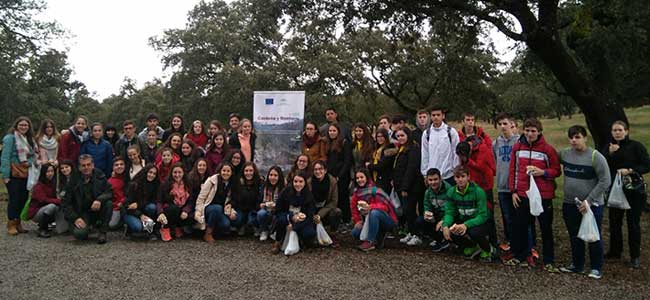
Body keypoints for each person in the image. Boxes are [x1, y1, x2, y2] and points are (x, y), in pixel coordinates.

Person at [505, 118, 561, 272]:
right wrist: (514, 191)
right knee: (521, 227)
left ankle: (549, 260)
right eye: (527, 130)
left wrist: (543, 172)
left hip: (543, 195)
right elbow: (513, 170)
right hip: (522, 194)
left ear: (539, 132)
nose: (530, 134)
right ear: (523, 131)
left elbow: (557, 170)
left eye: (533, 131)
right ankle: (521, 256)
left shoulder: (547, 150)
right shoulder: (517, 147)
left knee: (545, 228)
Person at [559, 125, 611, 279]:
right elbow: (550, 160)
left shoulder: (596, 157)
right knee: (574, 235)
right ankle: (577, 265)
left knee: (593, 235)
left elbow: (605, 181)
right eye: (571, 137)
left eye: (577, 137)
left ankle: (596, 267)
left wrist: (588, 200)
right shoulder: (565, 154)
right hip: (570, 203)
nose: (574, 140)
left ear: (585, 138)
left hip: (592, 205)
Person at [602, 120, 650, 269]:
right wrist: (611, 153)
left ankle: (634, 256)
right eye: (614, 130)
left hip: (634, 190)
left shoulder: (636, 146)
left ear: (626, 131)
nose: (617, 132)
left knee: (633, 224)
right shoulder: (608, 146)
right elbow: (603, 163)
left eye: (620, 130)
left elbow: (647, 164)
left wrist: (630, 170)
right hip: (615, 189)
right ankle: (615, 251)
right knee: (614, 222)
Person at [442, 165, 495, 262]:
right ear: (454, 178)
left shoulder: (478, 192)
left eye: (463, 176)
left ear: (468, 177)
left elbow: (483, 215)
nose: (460, 180)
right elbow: (449, 212)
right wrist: (445, 225)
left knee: (474, 232)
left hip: (482, 221)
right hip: (464, 220)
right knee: (450, 230)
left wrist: (466, 225)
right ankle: (472, 246)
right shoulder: (451, 192)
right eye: (458, 177)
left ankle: (488, 249)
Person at [62, 154, 113, 244]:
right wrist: (75, 218)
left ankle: (102, 232)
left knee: (108, 204)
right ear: (79, 167)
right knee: (80, 235)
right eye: (83, 165)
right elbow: (66, 203)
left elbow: (109, 192)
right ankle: (88, 226)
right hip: (81, 212)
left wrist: (99, 200)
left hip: (96, 209)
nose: (86, 167)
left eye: (88, 165)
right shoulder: (73, 179)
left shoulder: (99, 174)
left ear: (93, 165)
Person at [2, 117, 37, 235]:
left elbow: (34, 155)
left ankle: (18, 222)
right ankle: (11, 223)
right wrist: (5, 175)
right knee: (14, 199)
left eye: (26, 125)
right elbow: (5, 157)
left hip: (26, 173)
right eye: (21, 125)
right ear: (16, 125)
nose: (23, 127)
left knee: (23, 198)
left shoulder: (30, 139)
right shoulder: (9, 138)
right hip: (13, 173)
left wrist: (30, 162)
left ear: (29, 127)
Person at [350, 168, 398, 252]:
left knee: (374, 213)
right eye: (357, 178)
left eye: (362, 177)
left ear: (367, 178)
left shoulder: (375, 190)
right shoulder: (356, 193)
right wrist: (357, 221)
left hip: (387, 219)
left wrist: (370, 207)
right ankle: (378, 236)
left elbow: (385, 207)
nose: (359, 180)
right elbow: (354, 210)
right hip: (367, 221)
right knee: (355, 233)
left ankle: (370, 242)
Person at [393, 127, 425, 246]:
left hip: (411, 186)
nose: (400, 138)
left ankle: (418, 234)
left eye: (402, 135)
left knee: (410, 210)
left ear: (408, 135)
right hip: (400, 185)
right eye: (398, 136)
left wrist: (405, 187)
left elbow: (411, 169)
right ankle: (411, 232)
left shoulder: (413, 149)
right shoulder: (401, 148)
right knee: (406, 211)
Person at [492, 113, 520, 251]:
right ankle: (509, 241)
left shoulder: (519, 142)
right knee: (506, 216)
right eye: (500, 124)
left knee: (519, 217)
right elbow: (495, 161)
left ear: (511, 124)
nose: (503, 126)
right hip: (502, 185)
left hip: (517, 187)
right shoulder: (496, 143)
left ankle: (522, 243)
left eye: (505, 123)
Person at [272, 172, 317, 254]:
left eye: (301, 182)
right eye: (295, 181)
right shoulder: (285, 192)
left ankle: (301, 240)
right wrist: (291, 217)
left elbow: (310, 215)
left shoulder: (309, 195)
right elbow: (278, 210)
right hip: (287, 218)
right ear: (292, 182)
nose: (298, 184)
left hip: (302, 221)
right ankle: (278, 242)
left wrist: (295, 226)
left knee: (310, 233)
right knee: (280, 220)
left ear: (305, 183)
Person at [194, 162, 238, 243]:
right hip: (208, 208)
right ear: (220, 171)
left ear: (231, 173)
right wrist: (198, 211)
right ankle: (208, 233)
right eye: (224, 170)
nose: (226, 173)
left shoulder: (232, 183)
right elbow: (201, 198)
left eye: (228, 171)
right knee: (217, 208)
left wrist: (231, 209)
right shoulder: (212, 180)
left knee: (226, 225)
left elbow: (232, 200)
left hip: (222, 210)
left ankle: (214, 230)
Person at [415, 168, 452, 252]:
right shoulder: (428, 192)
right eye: (430, 180)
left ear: (440, 179)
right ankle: (439, 240)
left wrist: (444, 220)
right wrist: (427, 214)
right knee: (420, 221)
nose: (433, 182)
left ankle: (447, 241)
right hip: (436, 216)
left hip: (449, 217)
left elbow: (452, 209)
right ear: (427, 180)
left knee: (444, 225)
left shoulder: (449, 190)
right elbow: (427, 206)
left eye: (435, 179)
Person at [421, 106, 460, 184]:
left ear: (443, 116)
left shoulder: (451, 132)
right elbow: (425, 154)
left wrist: (455, 169)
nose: (436, 117)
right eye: (433, 115)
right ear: (430, 117)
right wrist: (425, 173)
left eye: (438, 115)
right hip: (433, 177)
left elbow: (455, 152)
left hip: (449, 175)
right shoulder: (427, 133)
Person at [156, 163, 194, 242]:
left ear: (183, 173)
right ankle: (165, 228)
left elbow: (191, 201)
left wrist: (186, 210)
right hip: (168, 209)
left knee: (192, 216)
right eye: (175, 172)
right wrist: (160, 212)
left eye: (179, 172)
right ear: (171, 173)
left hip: (182, 209)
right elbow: (159, 201)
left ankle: (178, 227)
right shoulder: (165, 184)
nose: (177, 175)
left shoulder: (188, 184)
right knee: (174, 208)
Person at [325, 123, 353, 224]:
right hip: (330, 175)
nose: (332, 133)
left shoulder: (344, 143)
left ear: (338, 132)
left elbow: (347, 161)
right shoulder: (328, 143)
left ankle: (346, 219)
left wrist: (339, 176)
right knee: (333, 197)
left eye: (334, 131)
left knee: (343, 197)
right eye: (330, 131)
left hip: (342, 176)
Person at [123, 164, 159, 238]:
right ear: (145, 172)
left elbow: (153, 201)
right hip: (130, 212)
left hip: (143, 210)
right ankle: (129, 228)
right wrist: (140, 215)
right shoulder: (134, 185)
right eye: (150, 172)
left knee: (152, 207)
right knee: (137, 227)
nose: (151, 175)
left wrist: (138, 204)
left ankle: (150, 230)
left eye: (154, 173)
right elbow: (126, 205)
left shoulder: (155, 185)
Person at [28, 163, 62, 238]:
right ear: (43, 173)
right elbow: (43, 200)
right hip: (36, 213)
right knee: (52, 206)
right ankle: (42, 229)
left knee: (59, 207)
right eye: (48, 171)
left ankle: (61, 228)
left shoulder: (52, 183)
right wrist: (59, 201)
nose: (50, 173)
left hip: (44, 209)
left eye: (52, 171)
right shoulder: (39, 186)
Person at [308, 160, 342, 232]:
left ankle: (332, 231)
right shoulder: (309, 182)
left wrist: (320, 215)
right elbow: (307, 201)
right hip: (312, 210)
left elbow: (334, 201)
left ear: (325, 170)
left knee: (337, 212)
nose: (318, 172)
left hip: (326, 209)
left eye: (320, 169)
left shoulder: (332, 182)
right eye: (315, 169)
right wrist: (313, 214)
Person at [232, 162, 263, 236]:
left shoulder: (259, 182)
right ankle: (240, 226)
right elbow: (235, 197)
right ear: (243, 172)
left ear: (254, 171)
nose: (248, 173)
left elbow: (260, 198)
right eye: (246, 171)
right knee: (237, 219)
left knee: (252, 220)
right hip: (240, 208)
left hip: (253, 208)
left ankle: (254, 226)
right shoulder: (238, 182)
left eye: (250, 171)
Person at [257, 166, 285, 242]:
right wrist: (261, 205)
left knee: (280, 216)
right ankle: (264, 230)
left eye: (275, 175)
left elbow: (285, 204)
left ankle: (274, 231)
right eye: (271, 175)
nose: (272, 177)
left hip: (278, 211)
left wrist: (276, 205)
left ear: (279, 177)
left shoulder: (283, 188)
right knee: (261, 213)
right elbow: (258, 200)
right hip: (266, 210)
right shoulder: (264, 187)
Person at [366, 128, 395, 192]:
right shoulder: (376, 149)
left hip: (384, 180)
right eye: (378, 136)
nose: (380, 138)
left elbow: (381, 166)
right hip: (375, 179)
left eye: (382, 136)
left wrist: (369, 165)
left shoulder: (389, 148)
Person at [107, 157, 127, 230]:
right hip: (116, 207)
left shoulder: (128, 177)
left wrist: (123, 201)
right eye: (116, 165)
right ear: (113, 167)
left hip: (127, 204)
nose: (119, 166)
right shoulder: (109, 181)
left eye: (121, 164)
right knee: (111, 225)